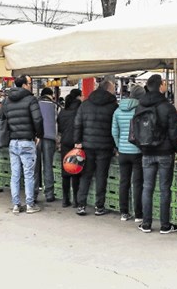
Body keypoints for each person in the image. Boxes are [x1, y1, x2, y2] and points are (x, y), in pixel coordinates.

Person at [136, 74, 177, 234]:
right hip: (165, 152)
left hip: (146, 152)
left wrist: (142, 148)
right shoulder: (168, 107)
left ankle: (146, 224)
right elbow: (174, 132)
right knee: (164, 189)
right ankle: (165, 225)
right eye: (164, 83)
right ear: (160, 86)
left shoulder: (140, 106)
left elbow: (135, 131)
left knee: (147, 187)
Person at [0, 74, 44, 215]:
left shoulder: (6, 101)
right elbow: (38, 119)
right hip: (26, 141)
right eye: (29, 83)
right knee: (29, 175)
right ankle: (30, 204)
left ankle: (16, 205)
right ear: (24, 85)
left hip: (13, 142)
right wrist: (39, 135)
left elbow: (2, 119)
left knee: (15, 175)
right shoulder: (31, 99)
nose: (30, 85)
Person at [74, 80, 119, 216]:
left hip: (87, 145)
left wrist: (77, 141)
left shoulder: (85, 104)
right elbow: (115, 128)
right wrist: (115, 145)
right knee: (101, 176)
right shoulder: (113, 106)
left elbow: (78, 123)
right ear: (108, 89)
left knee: (86, 175)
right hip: (105, 146)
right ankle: (99, 206)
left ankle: (81, 204)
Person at [111, 84, 146, 222]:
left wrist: (119, 146)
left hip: (123, 152)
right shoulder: (140, 110)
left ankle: (124, 212)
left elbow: (114, 132)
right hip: (137, 151)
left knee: (124, 182)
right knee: (137, 183)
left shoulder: (117, 111)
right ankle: (138, 214)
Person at [57, 89, 83, 207]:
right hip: (76, 144)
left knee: (65, 171)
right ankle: (76, 201)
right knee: (76, 171)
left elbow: (60, 128)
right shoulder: (79, 111)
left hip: (65, 143)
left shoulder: (62, 112)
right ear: (78, 97)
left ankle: (65, 199)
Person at [38, 87, 59, 202]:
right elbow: (56, 123)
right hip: (50, 138)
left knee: (35, 167)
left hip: (37, 138)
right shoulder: (54, 106)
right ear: (50, 95)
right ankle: (49, 194)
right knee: (48, 166)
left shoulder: (35, 104)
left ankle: (34, 193)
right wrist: (56, 139)